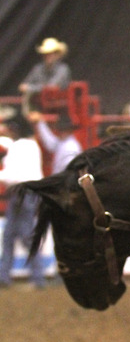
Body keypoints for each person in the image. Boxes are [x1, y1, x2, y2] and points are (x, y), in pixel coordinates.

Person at [0, 115, 45, 289]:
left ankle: (36, 277)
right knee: (14, 235)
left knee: (19, 236)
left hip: (22, 193)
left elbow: (13, 175)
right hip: (27, 193)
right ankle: (32, 276)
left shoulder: (19, 147)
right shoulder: (30, 145)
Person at [18, 38, 71, 111]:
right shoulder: (37, 68)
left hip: (59, 109)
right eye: (46, 54)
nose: (48, 56)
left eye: (51, 53)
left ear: (57, 55)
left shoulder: (63, 69)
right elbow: (23, 86)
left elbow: (51, 88)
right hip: (38, 107)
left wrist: (30, 88)